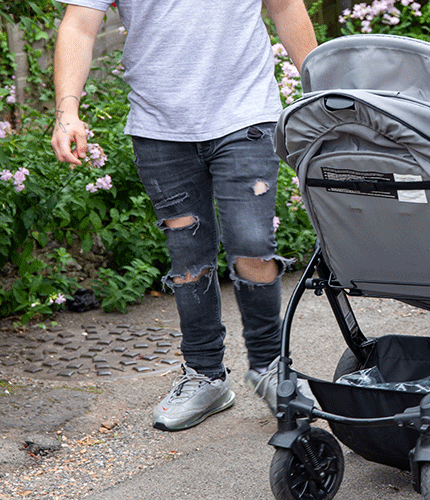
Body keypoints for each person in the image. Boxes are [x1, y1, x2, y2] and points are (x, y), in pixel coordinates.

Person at [51, 0, 317, 431]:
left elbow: (285, 6)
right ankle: (206, 375)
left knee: (252, 245)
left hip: (245, 116)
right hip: (160, 129)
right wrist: (67, 111)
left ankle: (272, 369)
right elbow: (80, 25)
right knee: (188, 258)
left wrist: (318, 89)